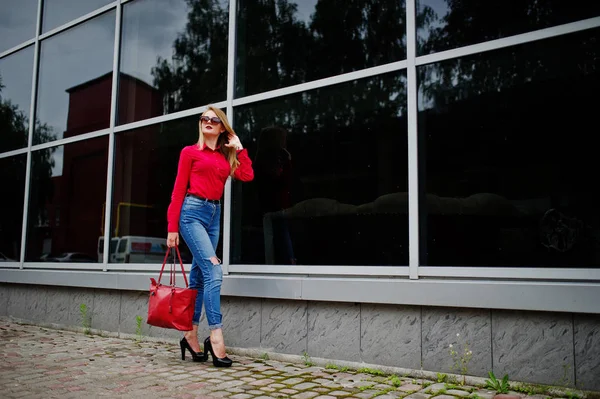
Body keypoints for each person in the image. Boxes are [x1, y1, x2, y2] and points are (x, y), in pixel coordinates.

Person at [166, 105, 254, 367]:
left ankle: (190, 334)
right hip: (191, 213)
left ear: (222, 128)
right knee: (214, 270)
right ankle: (216, 335)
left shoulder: (225, 156)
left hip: (213, 216)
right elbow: (178, 191)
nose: (208, 122)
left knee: (200, 277)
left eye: (214, 120)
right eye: (204, 118)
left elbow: (247, 175)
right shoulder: (189, 152)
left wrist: (238, 147)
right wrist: (172, 227)